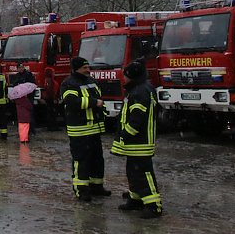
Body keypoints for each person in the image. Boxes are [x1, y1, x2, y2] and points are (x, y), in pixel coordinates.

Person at [111, 60, 163, 219]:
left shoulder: (139, 92)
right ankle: (136, 199)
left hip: (139, 142)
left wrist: (124, 134)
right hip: (137, 142)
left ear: (132, 76)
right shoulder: (140, 89)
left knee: (143, 173)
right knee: (133, 172)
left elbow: (137, 120)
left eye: (125, 76)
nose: (123, 79)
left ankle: (154, 205)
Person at [61, 57, 110, 202]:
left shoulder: (91, 81)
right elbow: (72, 102)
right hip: (79, 129)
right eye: (84, 68)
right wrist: (95, 103)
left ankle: (97, 187)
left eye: (88, 67)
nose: (88, 70)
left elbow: (100, 98)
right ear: (76, 69)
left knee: (97, 160)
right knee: (81, 161)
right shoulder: (68, 84)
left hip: (94, 129)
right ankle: (81, 190)